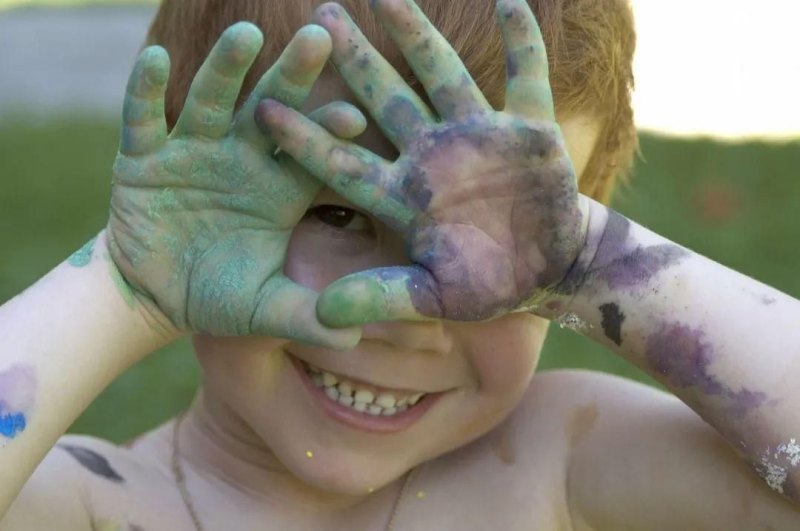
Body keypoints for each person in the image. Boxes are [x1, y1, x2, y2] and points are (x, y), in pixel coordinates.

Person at [0, 0, 798, 530]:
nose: (405, 312)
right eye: (336, 213)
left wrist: (595, 262)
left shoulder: (556, 457)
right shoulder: (89, 506)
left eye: (514, 243)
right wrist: (127, 285)